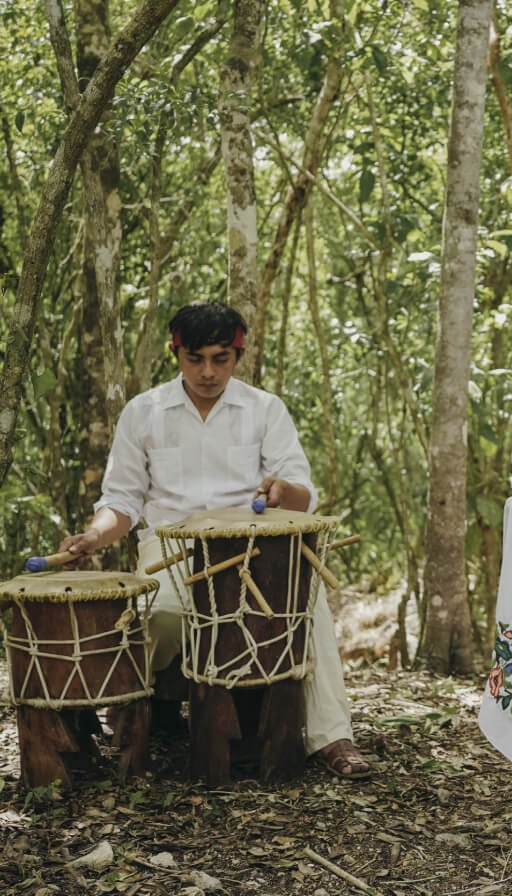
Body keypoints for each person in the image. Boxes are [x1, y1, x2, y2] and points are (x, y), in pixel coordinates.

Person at [59, 302, 372, 779]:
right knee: (158, 615)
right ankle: (134, 708)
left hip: (252, 554)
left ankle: (332, 737)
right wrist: (94, 535)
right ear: (176, 353)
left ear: (238, 355)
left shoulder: (266, 409)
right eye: (195, 359)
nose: (207, 372)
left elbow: (301, 494)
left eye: (220, 359)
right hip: (170, 552)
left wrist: (282, 491)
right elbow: (121, 500)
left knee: (308, 606)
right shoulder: (143, 412)